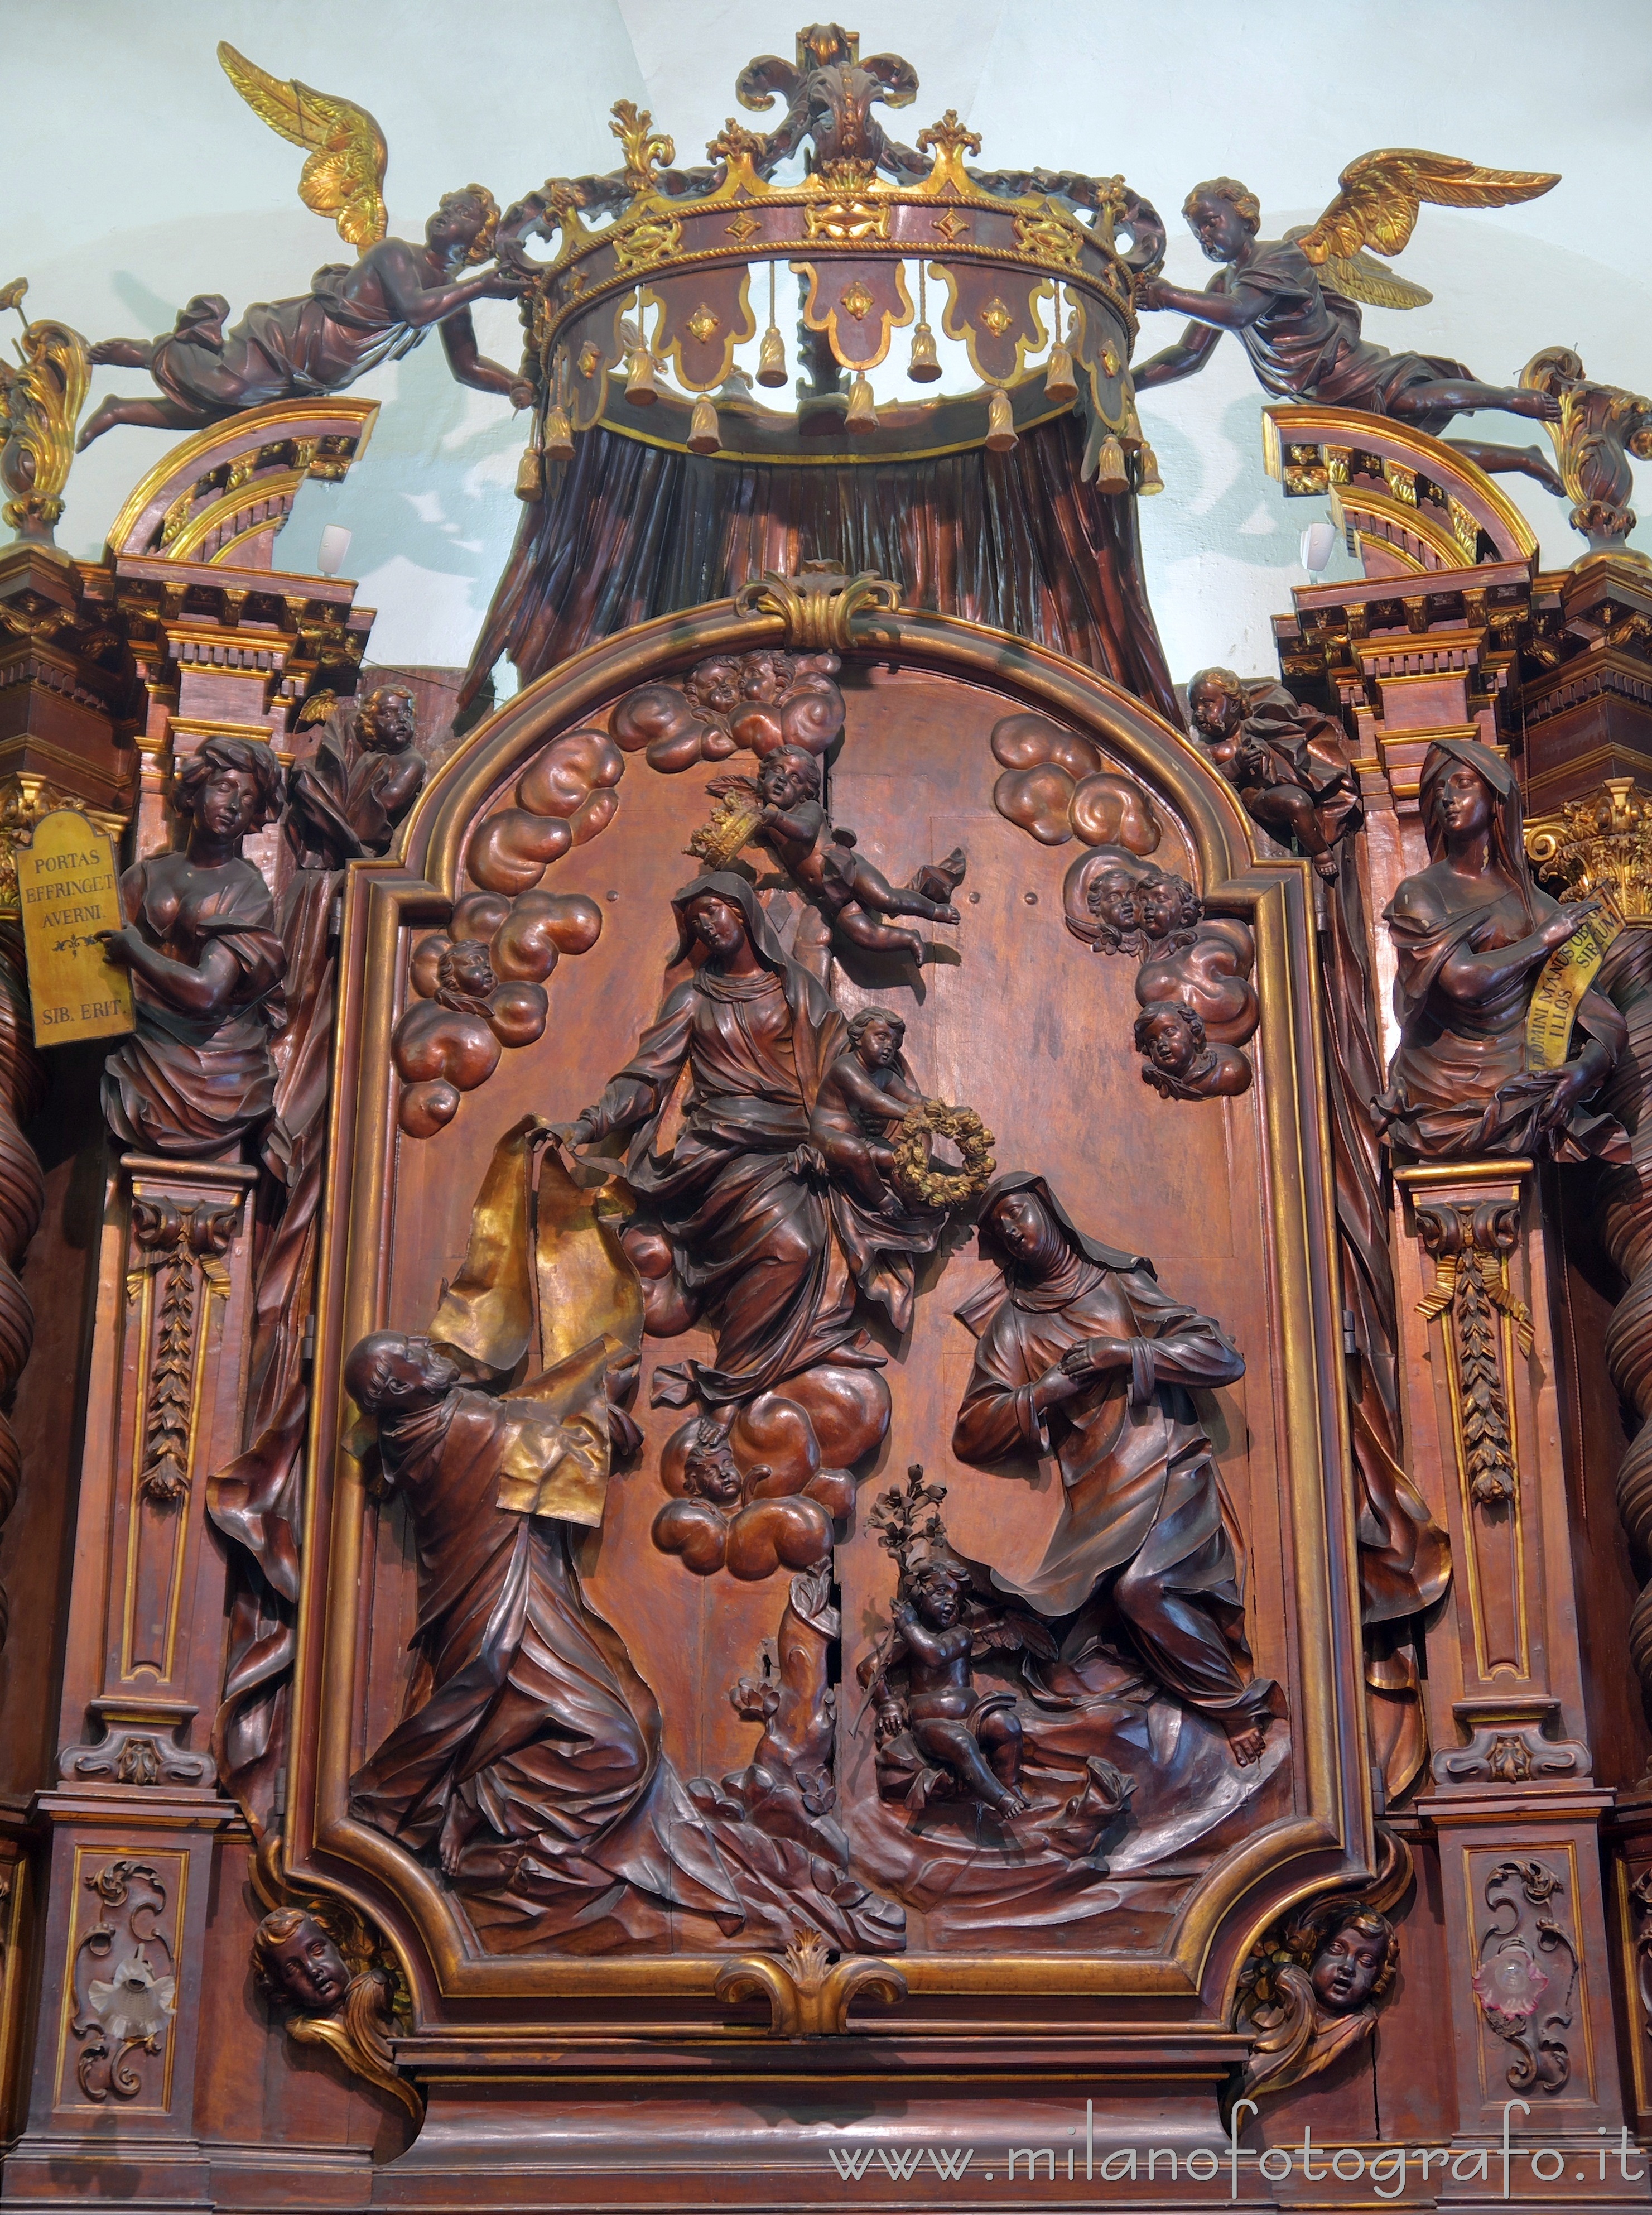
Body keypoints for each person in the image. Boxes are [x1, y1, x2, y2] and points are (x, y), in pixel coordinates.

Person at [951, 1173, 1274, 1766]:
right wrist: (1043, 1392)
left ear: (1050, 1210)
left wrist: (1128, 1353)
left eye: (1020, 1214)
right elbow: (972, 1431)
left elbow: (1222, 1356)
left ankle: (1234, 1706)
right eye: (1002, 1230)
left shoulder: (1121, 1284)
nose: (1017, 1233)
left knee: (1142, 1590)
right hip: (1098, 1502)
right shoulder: (1014, 1326)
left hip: (1171, 1468)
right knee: (1057, 1655)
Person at [563, 873, 878, 1411]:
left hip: (791, 1152)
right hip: (718, 1152)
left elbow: (835, 1070)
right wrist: (589, 1124)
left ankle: (729, 1384)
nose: (707, 924)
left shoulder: (797, 988)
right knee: (791, 1249)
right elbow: (648, 1077)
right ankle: (729, 1385)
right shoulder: (693, 996)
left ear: (744, 912)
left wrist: (841, 1135)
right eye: (696, 920)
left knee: (798, 1250)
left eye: (714, 910)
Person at [1134, 178, 1563, 489]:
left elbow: (1240, 312)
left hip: (1354, 373)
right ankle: (1523, 460)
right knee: (1420, 460)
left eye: (1210, 222)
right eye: (1197, 232)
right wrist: (1130, 383)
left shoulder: (1281, 257)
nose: (1205, 236)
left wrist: (1166, 295)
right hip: (1319, 399)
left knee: (1411, 399)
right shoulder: (1219, 287)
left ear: (1244, 217)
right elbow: (1189, 355)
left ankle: (1510, 399)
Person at [79, 188, 528, 446]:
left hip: (311, 377)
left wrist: (518, 387)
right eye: (448, 205)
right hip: (289, 340)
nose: (448, 212)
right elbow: (413, 310)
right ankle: (150, 352)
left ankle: (120, 411)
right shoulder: (395, 254)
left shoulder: (454, 299)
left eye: (463, 212)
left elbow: (467, 366)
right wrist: (485, 285)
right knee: (226, 386)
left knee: (213, 414)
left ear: (480, 238)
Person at [1374, 737, 1628, 1160]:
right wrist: (1542, 940)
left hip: (1517, 1076)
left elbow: (1607, 1021)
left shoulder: (1534, 905)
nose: (1448, 799)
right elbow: (1461, 980)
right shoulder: (1419, 893)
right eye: (1439, 791)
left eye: (1461, 784)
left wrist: (1579, 1073)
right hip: (1436, 1089)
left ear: (1494, 800)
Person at [99, 736, 287, 1159]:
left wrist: (135, 952)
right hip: (144, 1055)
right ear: (196, 788)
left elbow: (207, 992)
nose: (235, 805)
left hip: (219, 1070)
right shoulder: (145, 875)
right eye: (224, 787)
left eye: (249, 797)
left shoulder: (247, 890)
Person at [1187, 667, 1360, 879]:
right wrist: (1236, 766)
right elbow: (1204, 781)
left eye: (1207, 704)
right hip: (1254, 797)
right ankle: (1321, 854)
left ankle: (1320, 850)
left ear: (1233, 704)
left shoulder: (1258, 727)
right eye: (1194, 706)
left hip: (1275, 785)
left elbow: (1292, 743)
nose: (1199, 712)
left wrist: (1268, 756)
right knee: (1294, 802)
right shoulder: (1205, 749)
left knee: (1299, 800)